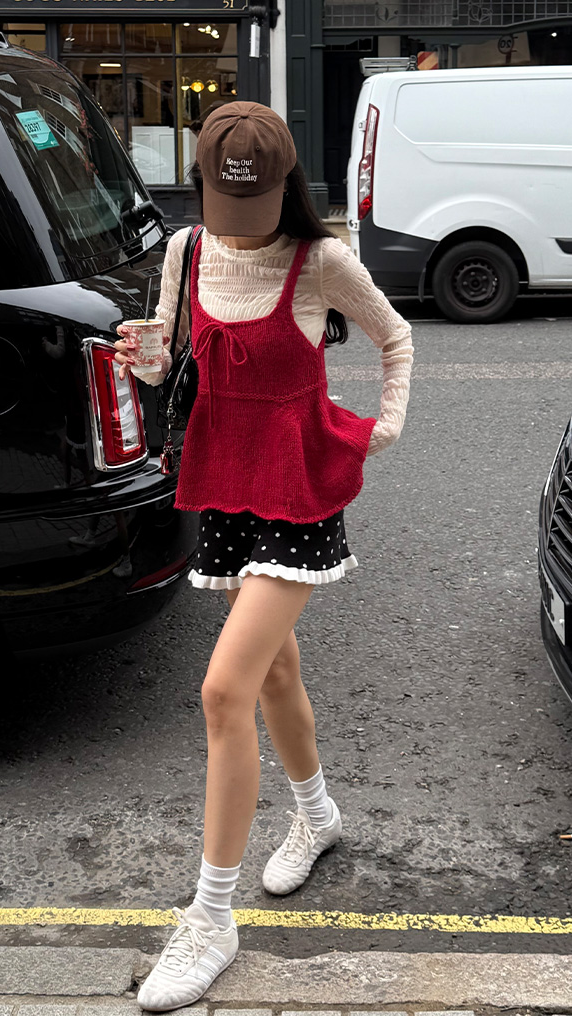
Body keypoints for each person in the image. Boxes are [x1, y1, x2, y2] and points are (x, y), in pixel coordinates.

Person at [113, 101, 414, 1012]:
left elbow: (396, 337)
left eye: (253, 205)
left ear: (286, 189)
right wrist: (142, 355)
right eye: (222, 203)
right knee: (275, 671)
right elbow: (169, 365)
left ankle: (212, 918)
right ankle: (318, 816)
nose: (236, 224)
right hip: (226, 484)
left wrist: (383, 428)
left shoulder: (320, 260)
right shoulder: (185, 250)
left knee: (223, 691)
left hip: (297, 491)